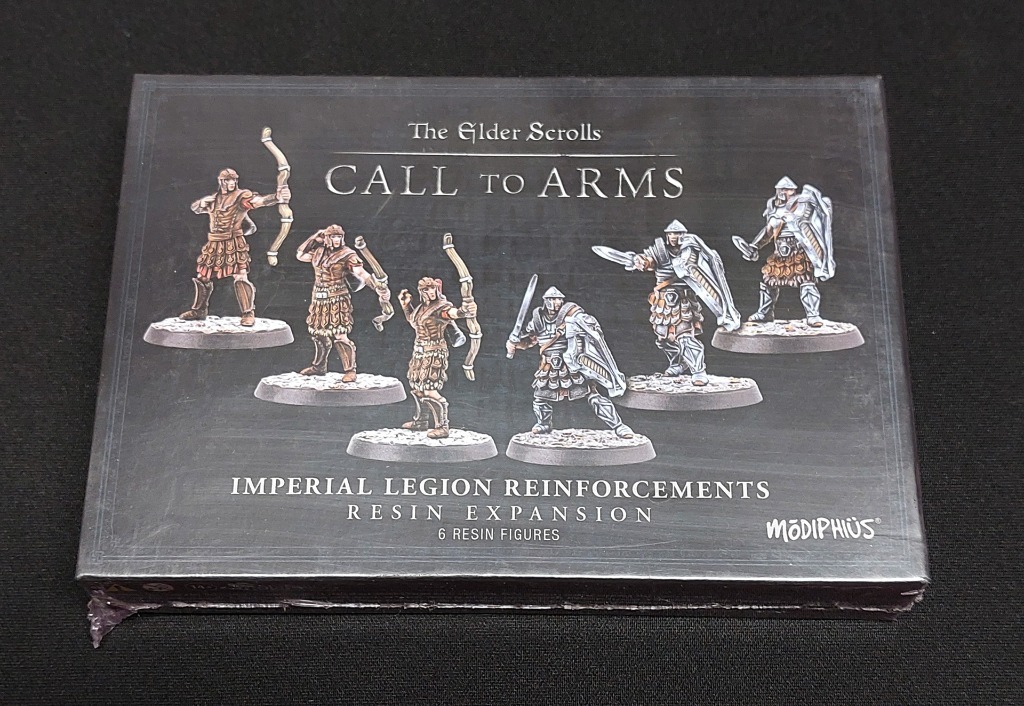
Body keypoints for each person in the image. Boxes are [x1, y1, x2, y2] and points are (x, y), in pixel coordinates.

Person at [506, 287, 633, 438]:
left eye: (559, 299)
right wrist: (515, 343)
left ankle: (619, 426)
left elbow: (591, 331)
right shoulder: (537, 321)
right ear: (546, 301)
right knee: (540, 398)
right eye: (553, 299)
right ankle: (544, 424)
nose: (557, 302)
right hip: (548, 365)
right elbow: (530, 341)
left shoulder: (572, 315)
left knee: (592, 395)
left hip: (571, 364)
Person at [179, 168, 290, 326]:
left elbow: (257, 202)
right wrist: (200, 203)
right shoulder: (214, 199)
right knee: (203, 276)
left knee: (240, 276)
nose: (232, 183)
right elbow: (196, 208)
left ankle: (248, 313)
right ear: (221, 182)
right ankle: (199, 310)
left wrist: (276, 197)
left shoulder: (241, 196)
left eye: (234, 180)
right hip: (214, 242)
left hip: (233, 242)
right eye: (228, 180)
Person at [733, 177, 835, 326]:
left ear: (794, 191)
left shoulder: (803, 206)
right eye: (780, 189)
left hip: (798, 251)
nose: (783, 192)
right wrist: (754, 246)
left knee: (807, 282)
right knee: (768, 282)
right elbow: (768, 233)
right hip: (780, 253)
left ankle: (813, 315)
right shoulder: (774, 211)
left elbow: (817, 219)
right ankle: (765, 313)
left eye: (787, 190)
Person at [295, 225, 391, 382]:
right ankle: (319, 366)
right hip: (319, 298)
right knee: (318, 333)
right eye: (333, 237)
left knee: (340, 334)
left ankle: (350, 370)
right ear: (327, 238)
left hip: (337, 298)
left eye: (339, 237)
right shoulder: (319, 252)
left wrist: (377, 288)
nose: (336, 240)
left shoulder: (347, 254)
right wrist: (314, 237)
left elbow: (361, 273)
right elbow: (300, 255)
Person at [397, 277, 476, 439]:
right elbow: (415, 322)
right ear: (421, 292)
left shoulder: (441, 307)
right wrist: (406, 306)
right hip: (419, 351)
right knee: (417, 386)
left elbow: (451, 313)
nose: (431, 292)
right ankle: (421, 421)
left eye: (433, 288)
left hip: (434, 352)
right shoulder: (420, 308)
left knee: (430, 388)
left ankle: (442, 426)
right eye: (427, 289)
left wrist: (463, 311)